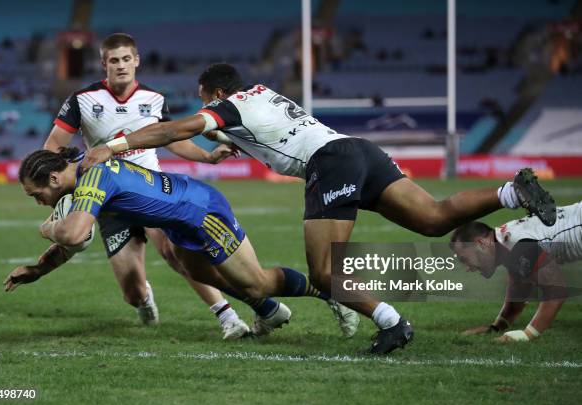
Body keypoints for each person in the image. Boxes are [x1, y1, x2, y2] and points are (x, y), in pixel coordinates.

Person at [80, 63, 557, 354]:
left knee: (326, 272)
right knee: (433, 217)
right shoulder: (261, 94)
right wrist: (222, 140)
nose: (205, 108)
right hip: (359, 150)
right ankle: (512, 192)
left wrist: (116, 144)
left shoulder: (230, 105)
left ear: (215, 94)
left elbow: (175, 130)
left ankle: (394, 324)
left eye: (206, 100)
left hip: (329, 164)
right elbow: (242, 129)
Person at [4, 148, 358, 340]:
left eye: (37, 196)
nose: (40, 203)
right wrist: (38, 269)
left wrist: (48, 229)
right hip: (178, 218)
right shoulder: (83, 171)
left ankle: (331, 293)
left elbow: (73, 234)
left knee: (255, 281)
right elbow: (75, 237)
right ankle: (268, 312)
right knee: (201, 273)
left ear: (53, 178)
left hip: (202, 212)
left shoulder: (93, 177)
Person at [44, 33, 248, 338]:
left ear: (137, 60)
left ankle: (227, 316)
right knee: (132, 291)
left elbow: (173, 140)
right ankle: (144, 298)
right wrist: (66, 186)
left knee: (175, 252)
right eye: (114, 60)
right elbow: (53, 147)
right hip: (108, 198)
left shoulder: (154, 99)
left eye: (127, 59)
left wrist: (208, 157)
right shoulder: (82, 100)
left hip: (152, 188)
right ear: (104, 64)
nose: (122, 66)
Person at [450, 201, 582, 342]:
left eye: (464, 259)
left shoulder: (516, 243)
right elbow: (519, 290)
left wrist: (528, 334)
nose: (468, 268)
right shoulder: (507, 244)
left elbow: (556, 292)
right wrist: (496, 327)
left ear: (481, 243)